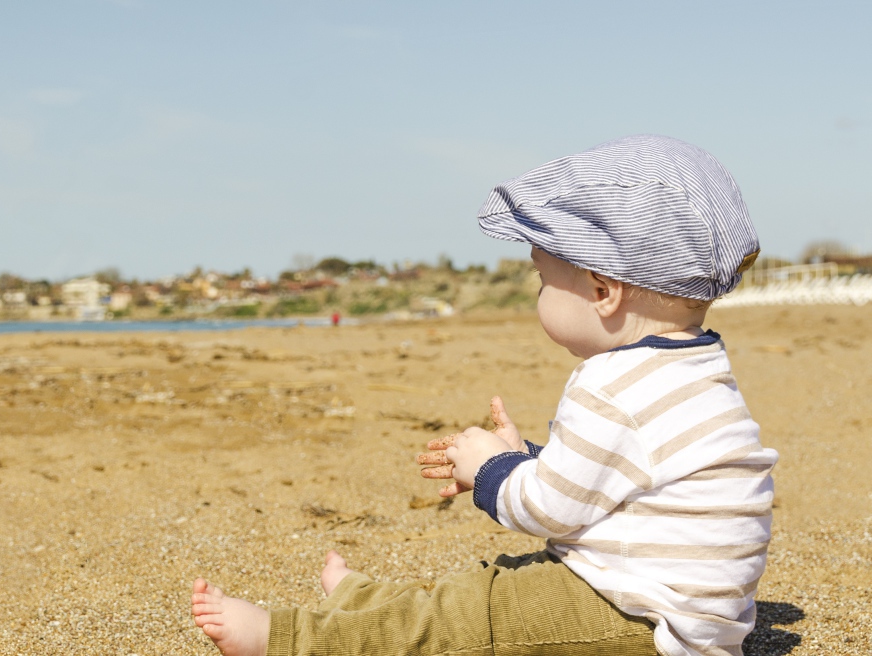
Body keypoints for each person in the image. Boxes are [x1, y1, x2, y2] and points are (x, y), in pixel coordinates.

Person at [191, 135, 778, 656]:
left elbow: (551, 510)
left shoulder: (611, 382)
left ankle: (285, 639)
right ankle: (364, 602)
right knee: (494, 586)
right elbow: (610, 484)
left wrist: (490, 470)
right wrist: (526, 458)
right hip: (687, 617)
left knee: (472, 617)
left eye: (544, 277)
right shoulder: (699, 366)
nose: (539, 292)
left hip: (636, 621)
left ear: (603, 291)